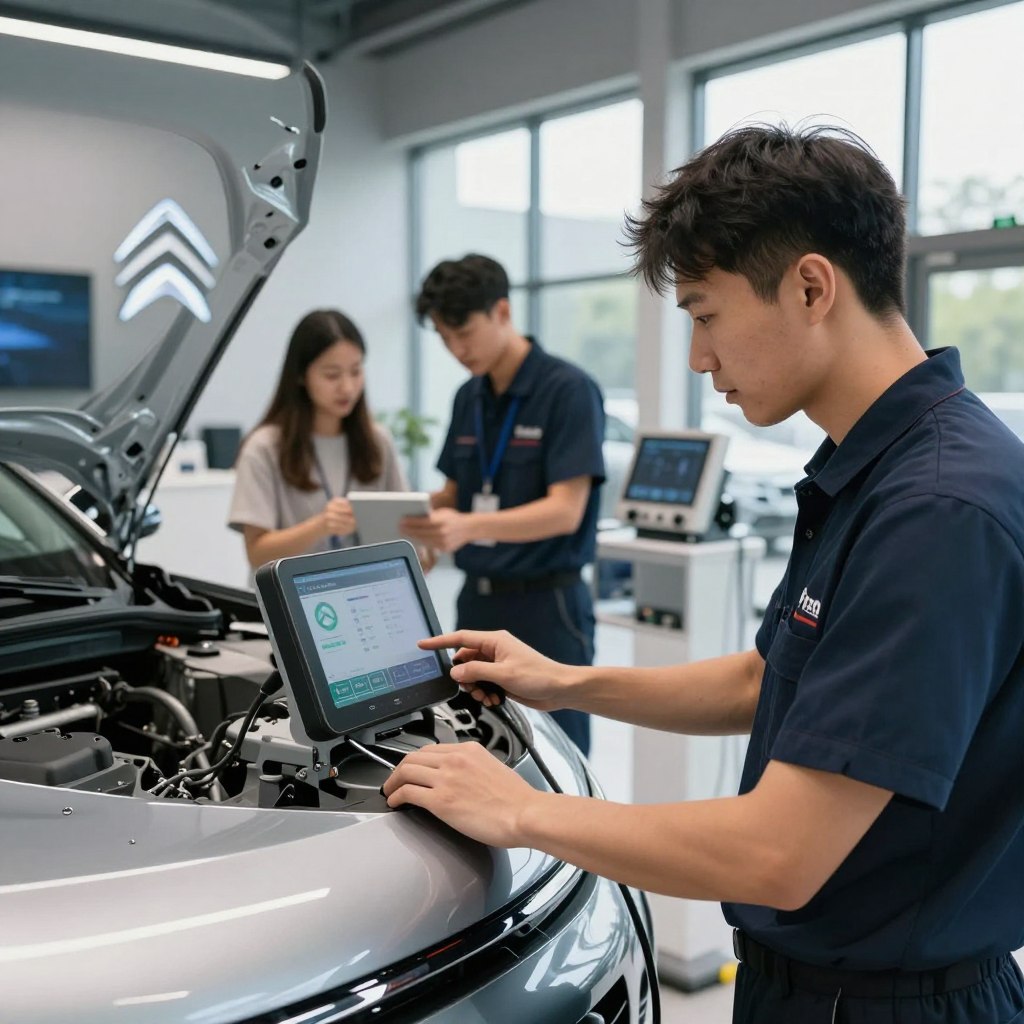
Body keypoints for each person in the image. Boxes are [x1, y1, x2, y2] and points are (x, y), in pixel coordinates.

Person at [383, 126, 1024, 1024]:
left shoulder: (937, 508)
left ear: (811, 288)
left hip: (884, 1004)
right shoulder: (877, 469)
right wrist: (566, 680)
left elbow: (779, 853)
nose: (698, 357)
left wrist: (520, 811)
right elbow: (765, 680)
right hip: (814, 985)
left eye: (705, 314)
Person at [400, 254, 604, 755]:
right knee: (485, 746)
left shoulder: (568, 390)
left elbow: (565, 511)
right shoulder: (468, 397)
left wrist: (469, 526)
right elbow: (454, 494)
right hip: (478, 602)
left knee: (560, 753)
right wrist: (403, 513)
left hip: (547, 606)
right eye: (445, 338)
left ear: (503, 312)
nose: (457, 349)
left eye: (464, 333)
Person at [229, 309, 408, 569]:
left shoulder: (378, 441)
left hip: (364, 588)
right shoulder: (264, 447)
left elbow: (401, 529)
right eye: (332, 375)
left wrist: (421, 548)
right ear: (301, 376)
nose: (347, 387)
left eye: (356, 371)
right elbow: (257, 553)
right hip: (292, 592)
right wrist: (320, 526)